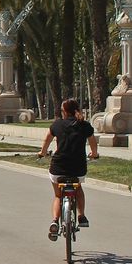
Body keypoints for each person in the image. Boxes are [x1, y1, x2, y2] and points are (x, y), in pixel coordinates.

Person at [37, 99, 99, 239]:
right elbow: (93, 143)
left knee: (58, 195)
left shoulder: (57, 124)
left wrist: (42, 152)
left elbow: (47, 140)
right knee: (78, 189)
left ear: (64, 111)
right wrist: (94, 154)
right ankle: (81, 216)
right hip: (78, 168)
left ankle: (55, 221)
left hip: (58, 167)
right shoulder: (84, 125)